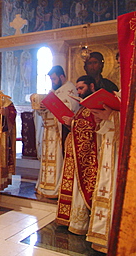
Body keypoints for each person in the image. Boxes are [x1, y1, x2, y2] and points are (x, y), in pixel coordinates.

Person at [56, 75, 98, 235]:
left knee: (79, 188)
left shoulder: (94, 106)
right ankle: (68, 219)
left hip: (84, 157)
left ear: (91, 86)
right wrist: (72, 121)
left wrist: (72, 123)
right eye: (78, 88)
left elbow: (89, 129)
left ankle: (79, 222)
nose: (79, 92)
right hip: (74, 154)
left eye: (81, 88)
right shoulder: (83, 107)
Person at [35, 66, 79, 198]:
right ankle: (43, 185)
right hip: (49, 131)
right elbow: (44, 111)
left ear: (61, 77)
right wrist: (41, 107)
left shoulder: (70, 89)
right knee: (46, 160)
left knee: (58, 160)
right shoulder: (55, 90)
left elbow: (70, 109)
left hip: (60, 132)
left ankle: (57, 187)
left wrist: (52, 105)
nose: (52, 82)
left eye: (54, 79)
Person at [86, 98, 120, 253]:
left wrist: (112, 116)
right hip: (108, 147)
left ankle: (115, 237)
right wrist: (100, 118)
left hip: (120, 152)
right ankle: (102, 235)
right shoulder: (121, 95)